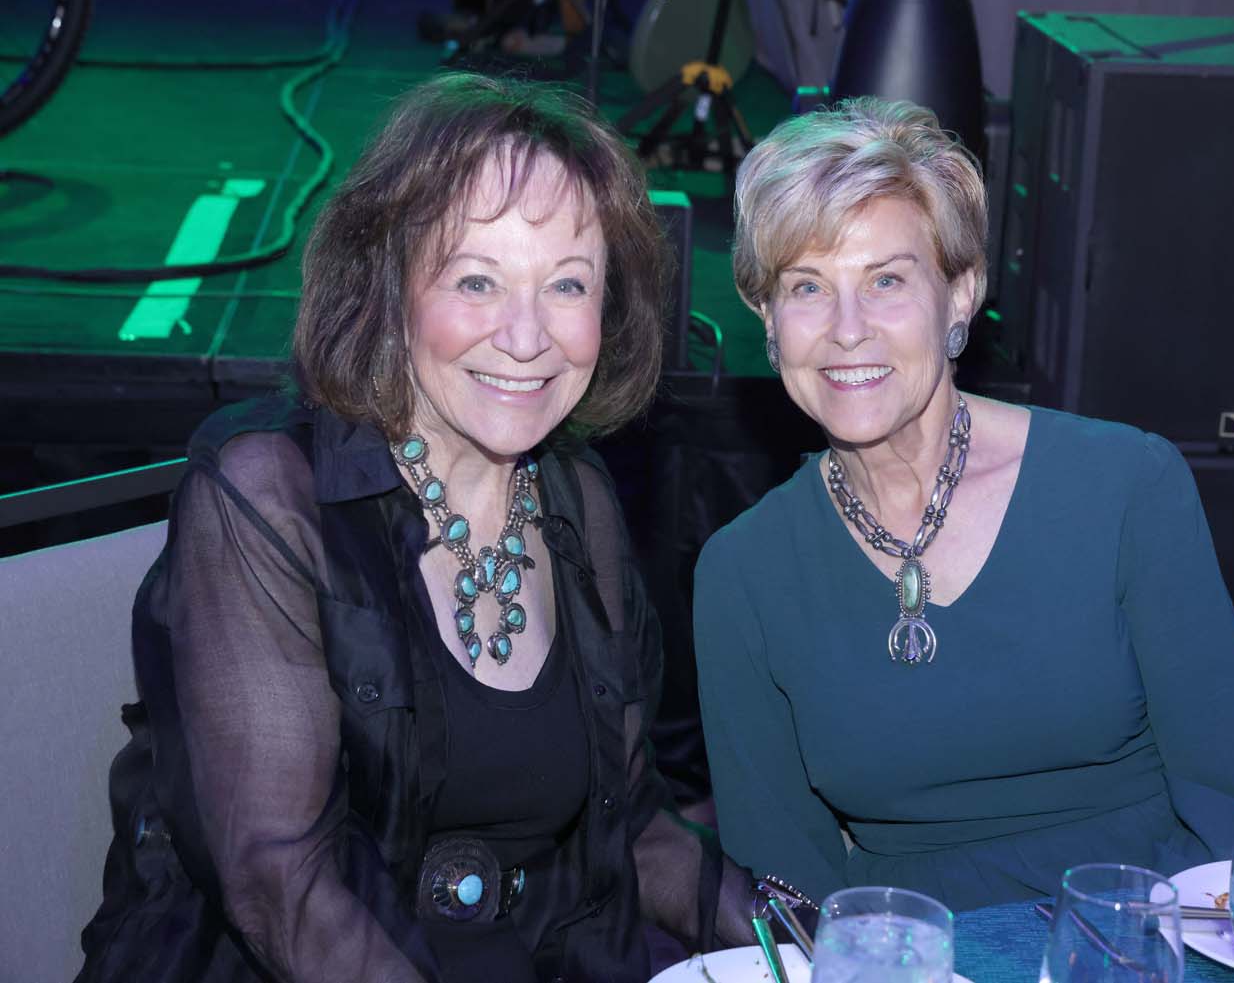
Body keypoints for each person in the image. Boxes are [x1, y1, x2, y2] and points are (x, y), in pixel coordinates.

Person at [75, 73, 780, 983]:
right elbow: (283, 890)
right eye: (477, 280)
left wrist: (814, 937)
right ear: (389, 285)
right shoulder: (267, 496)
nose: (526, 336)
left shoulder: (578, 498)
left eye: (567, 284)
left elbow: (634, 828)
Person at [693, 97, 1234, 912]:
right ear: (767, 319)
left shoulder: (1124, 485)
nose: (846, 329)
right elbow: (789, 887)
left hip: (1144, 930)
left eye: (886, 280)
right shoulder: (744, 573)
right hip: (910, 953)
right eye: (807, 287)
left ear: (961, 294)